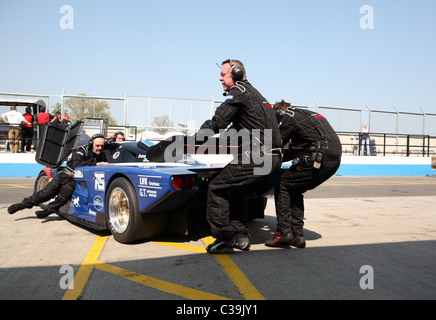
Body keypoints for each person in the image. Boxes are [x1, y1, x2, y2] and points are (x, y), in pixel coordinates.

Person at [198, 59, 282, 253]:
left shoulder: (238, 92)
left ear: (235, 73)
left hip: (259, 156)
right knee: (235, 191)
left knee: (216, 188)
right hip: (272, 156)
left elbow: (218, 121)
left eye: (223, 74)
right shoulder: (257, 96)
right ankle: (241, 236)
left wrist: (196, 139)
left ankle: (224, 237)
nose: (219, 78)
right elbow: (237, 130)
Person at [265, 100, 342, 249]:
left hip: (318, 155)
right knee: (294, 187)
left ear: (279, 113)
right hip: (334, 159)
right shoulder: (307, 116)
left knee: (282, 185)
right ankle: (297, 235)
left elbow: (275, 144)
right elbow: (292, 151)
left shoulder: (289, 116)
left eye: (276, 120)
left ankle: (283, 233)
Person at [8, 133, 109, 218]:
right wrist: (97, 164)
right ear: (91, 144)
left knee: (63, 198)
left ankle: (48, 211)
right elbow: (77, 165)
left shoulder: (101, 154)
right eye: (97, 146)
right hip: (64, 175)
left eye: (102, 146)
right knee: (45, 194)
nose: (99, 148)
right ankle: (21, 205)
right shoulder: (81, 150)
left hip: (74, 180)